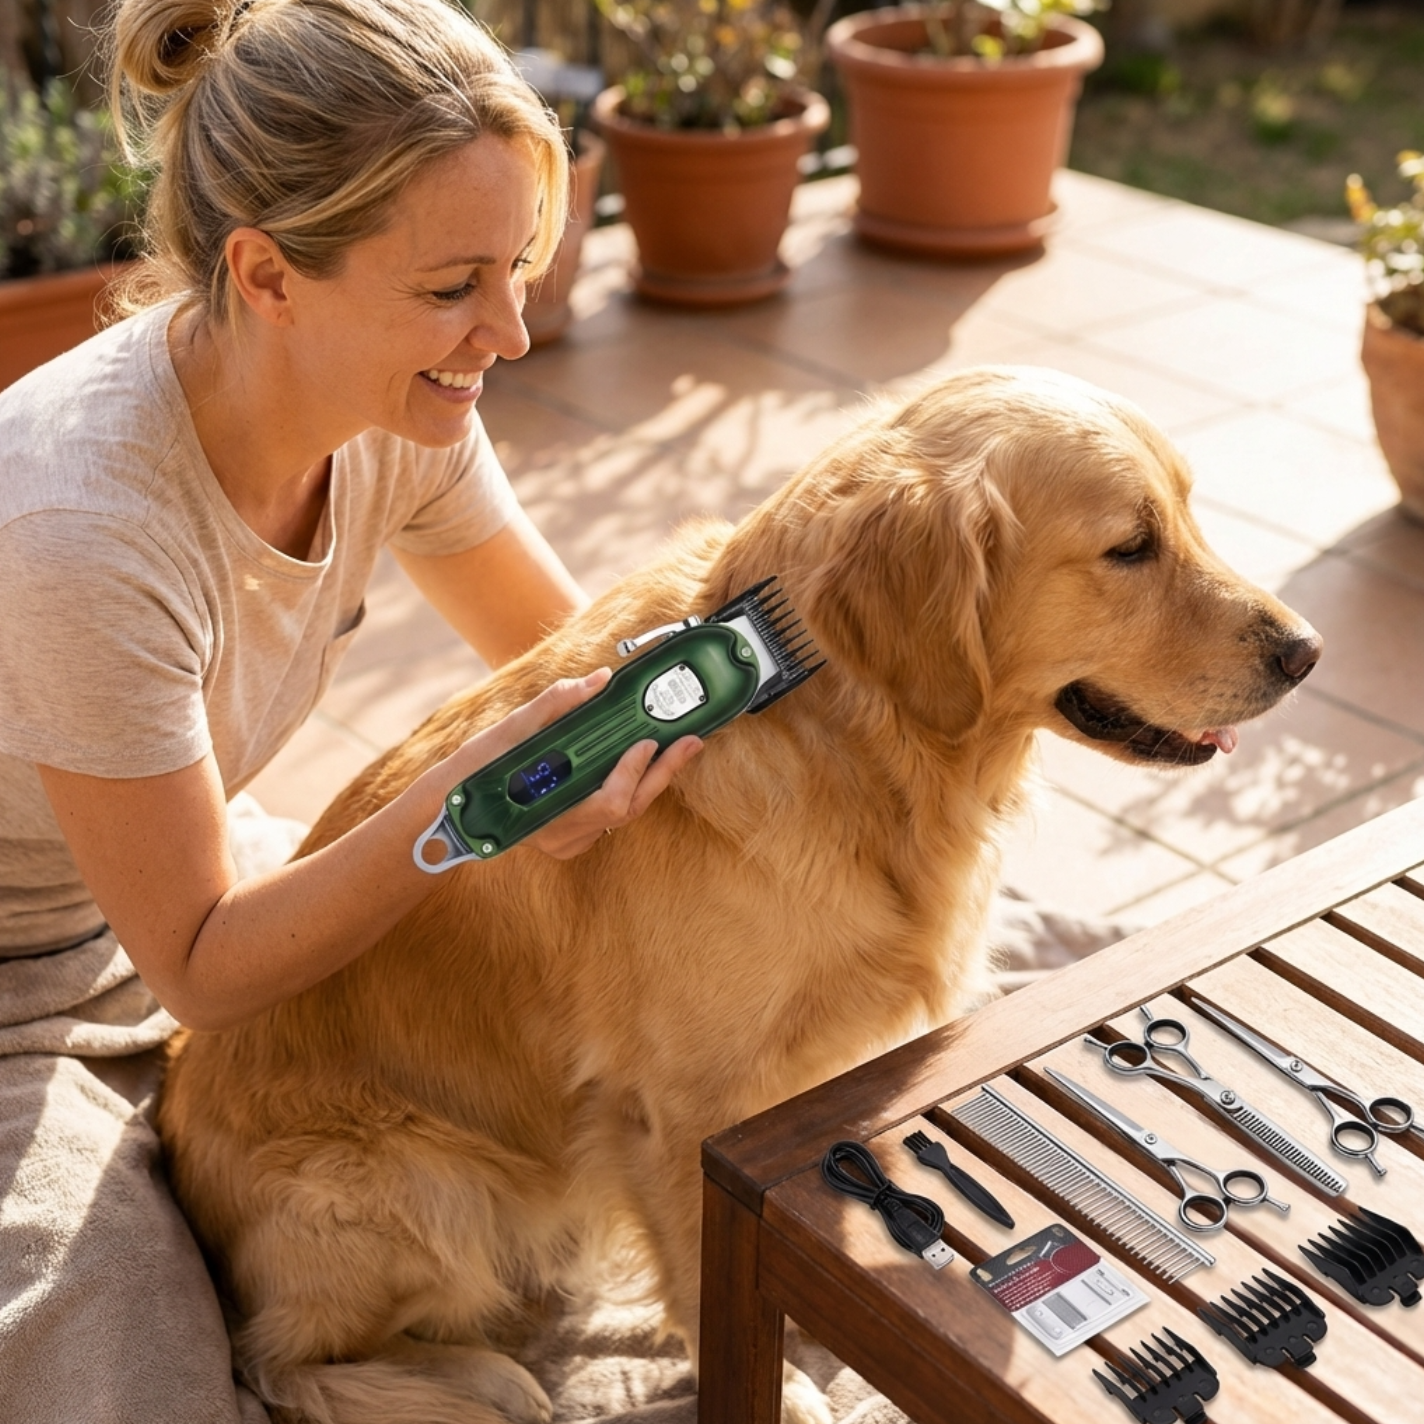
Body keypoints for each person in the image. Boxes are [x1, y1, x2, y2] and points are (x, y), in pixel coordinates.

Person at [0, 0, 701, 1416]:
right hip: (28, 986)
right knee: (130, 1375)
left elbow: (570, 661)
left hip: (177, 893)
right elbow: (203, 963)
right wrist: (463, 815)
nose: (505, 332)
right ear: (266, 275)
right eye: (454, 285)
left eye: (518, 269)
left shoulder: (397, 413)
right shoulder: (78, 524)